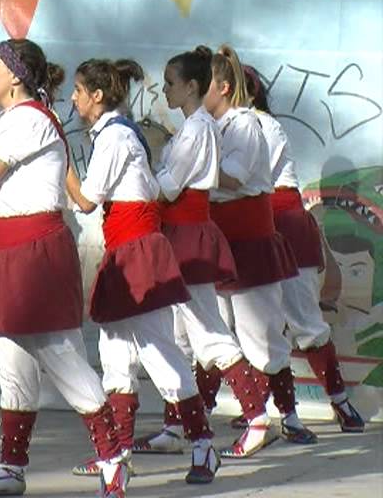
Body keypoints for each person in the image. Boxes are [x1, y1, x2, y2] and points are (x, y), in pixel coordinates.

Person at [0, 39, 126, 497]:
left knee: (62, 356)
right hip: (13, 248)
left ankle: (113, 460)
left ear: (15, 75)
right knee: (11, 361)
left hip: (35, 252)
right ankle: (11, 469)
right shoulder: (17, 121)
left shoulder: (27, 120)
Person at [65, 58, 220, 486]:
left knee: (157, 349)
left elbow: (86, 200)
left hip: (137, 251)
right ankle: (120, 453)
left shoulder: (115, 136)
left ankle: (203, 443)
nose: (74, 98)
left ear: (97, 96)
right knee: (115, 353)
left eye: (78, 90)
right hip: (126, 249)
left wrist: (60, 161)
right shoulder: (119, 134)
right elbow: (149, 188)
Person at [132, 46, 273, 458]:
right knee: (181, 335)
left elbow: (170, 185)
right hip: (181, 233)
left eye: (171, 84)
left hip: (190, 234)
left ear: (192, 86)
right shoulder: (195, 127)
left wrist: (135, 182)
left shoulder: (197, 130)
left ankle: (257, 416)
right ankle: (176, 426)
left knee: (209, 332)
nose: (166, 92)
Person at [202, 45, 317, 444]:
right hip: (222, 240)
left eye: (204, 85)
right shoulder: (213, 127)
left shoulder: (249, 125)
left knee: (260, 333)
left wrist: (187, 169)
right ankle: (209, 415)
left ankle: (286, 417)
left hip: (249, 240)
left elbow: (232, 178)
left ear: (223, 86)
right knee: (217, 330)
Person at [244, 65, 364, 433]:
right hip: (253, 226)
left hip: (283, 225)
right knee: (255, 324)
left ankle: (340, 403)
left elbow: (249, 177)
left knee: (304, 322)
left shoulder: (262, 126)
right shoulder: (228, 127)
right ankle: (265, 411)